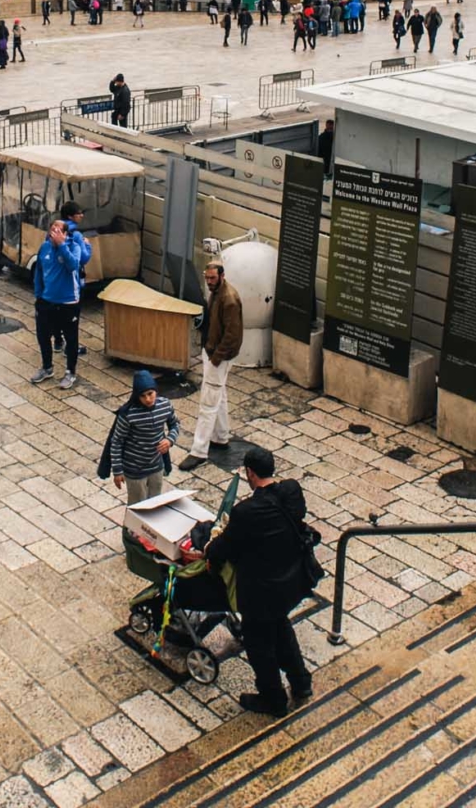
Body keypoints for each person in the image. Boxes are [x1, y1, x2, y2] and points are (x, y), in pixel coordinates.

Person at [203, 445, 315, 715]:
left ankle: (273, 699)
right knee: (281, 629)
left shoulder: (247, 511)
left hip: (261, 591)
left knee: (259, 644)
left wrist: (209, 552)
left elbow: (225, 546)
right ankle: (301, 683)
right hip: (289, 581)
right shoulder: (291, 491)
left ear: (250, 473)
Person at [182, 262, 242, 467]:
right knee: (219, 394)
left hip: (218, 356)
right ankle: (221, 436)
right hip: (213, 351)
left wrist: (216, 358)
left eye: (212, 278)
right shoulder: (217, 293)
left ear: (222, 276)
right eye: (207, 278)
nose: (209, 282)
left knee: (208, 403)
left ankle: (199, 451)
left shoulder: (229, 299)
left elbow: (232, 335)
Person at [97, 371, 180, 503]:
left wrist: (170, 440)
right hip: (134, 469)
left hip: (156, 465)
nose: (147, 399)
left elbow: (174, 424)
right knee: (138, 506)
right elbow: (117, 441)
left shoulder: (165, 405)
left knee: (156, 502)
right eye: (143, 396)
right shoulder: (129, 414)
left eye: (150, 394)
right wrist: (118, 471)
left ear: (156, 391)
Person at [29, 218, 91, 389]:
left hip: (68, 302)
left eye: (59, 228)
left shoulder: (73, 247)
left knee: (71, 338)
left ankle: (70, 372)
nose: (55, 229)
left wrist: (62, 245)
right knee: (43, 335)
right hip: (46, 300)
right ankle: (47, 367)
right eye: (53, 227)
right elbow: (39, 272)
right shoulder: (44, 247)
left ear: (64, 233)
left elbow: (73, 266)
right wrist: (38, 295)